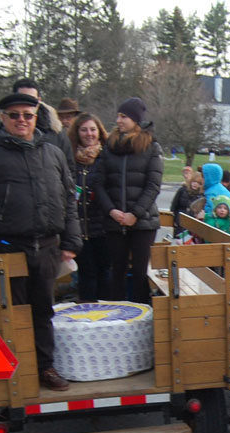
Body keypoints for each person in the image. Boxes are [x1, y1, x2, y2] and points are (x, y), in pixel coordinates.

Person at [0, 92, 81, 391]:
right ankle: (15, 372)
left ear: (36, 116)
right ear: (3, 118)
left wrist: (71, 240)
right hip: (6, 249)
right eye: (14, 115)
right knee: (11, 312)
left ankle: (44, 368)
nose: (21, 121)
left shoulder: (52, 153)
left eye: (27, 115)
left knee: (43, 311)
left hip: (48, 249)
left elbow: (68, 199)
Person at [95, 97, 163, 305]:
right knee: (117, 271)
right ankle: (117, 315)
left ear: (135, 119)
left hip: (142, 222)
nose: (119, 120)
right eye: (118, 116)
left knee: (141, 273)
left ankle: (142, 315)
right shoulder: (110, 146)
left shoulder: (151, 147)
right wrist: (111, 211)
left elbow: (153, 185)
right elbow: (99, 183)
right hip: (114, 222)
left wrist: (135, 214)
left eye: (123, 116)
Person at [67, 112, 111, 303]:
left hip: (103, 228)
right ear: (78, 133)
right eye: (84, 130)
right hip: (79, 229)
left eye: (92, 129)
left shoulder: (107, 157)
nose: (89, 134)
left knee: (105, 274)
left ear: (99, 132)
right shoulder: (70, 159)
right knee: (86, 275)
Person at [7, 78, 73, 170]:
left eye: (32, 100)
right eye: (23, 98)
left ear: (39, 100)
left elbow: (69, 171)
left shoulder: (56, 132)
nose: (27, 103)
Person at [170, 166, 204, 235]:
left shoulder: (201, 196)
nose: (195, 184)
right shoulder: (182, 190)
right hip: (180, 221)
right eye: (194, 182)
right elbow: (174, 206)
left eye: (198, 183)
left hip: (192, 224)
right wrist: (174, 219)